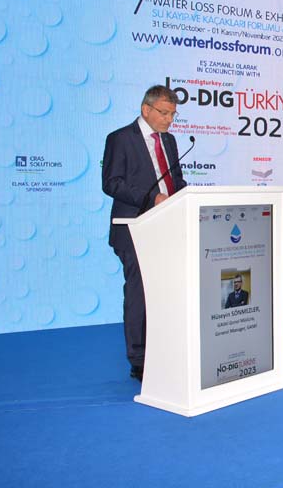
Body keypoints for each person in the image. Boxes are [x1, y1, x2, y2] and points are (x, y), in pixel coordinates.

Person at [102, 85, 187, 381]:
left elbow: (175, 180)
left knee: (167, 291)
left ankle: (164, 349)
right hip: (134, 228)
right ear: (146, 109)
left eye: (173, 114)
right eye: (164, 113)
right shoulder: (120, 138)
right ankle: (139, 359)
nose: (169, 120)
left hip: (167, 227)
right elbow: (112, 183)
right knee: (139, 293)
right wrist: (152, 198)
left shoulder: (170, 141)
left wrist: (188, 195)